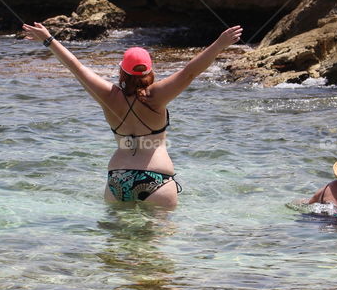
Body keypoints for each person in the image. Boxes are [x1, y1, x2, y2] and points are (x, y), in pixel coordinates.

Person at [22, 21, 243, 208]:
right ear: (149, 70)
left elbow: (76, 67)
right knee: (155, 257)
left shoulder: (108, 96)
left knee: (116, 251)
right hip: (157, 180)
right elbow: (190, 72)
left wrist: (48, 39)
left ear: (122, 71)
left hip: (118, 181)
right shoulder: (156, 95)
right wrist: (219, 44)